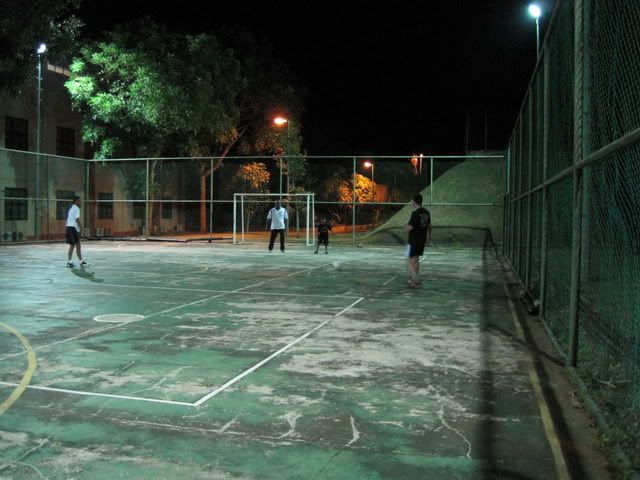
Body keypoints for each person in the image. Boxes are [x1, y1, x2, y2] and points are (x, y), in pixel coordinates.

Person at [405, 193, 431, 288]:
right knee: (416, 260)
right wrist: (429, 237)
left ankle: (416, 279)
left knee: (408, 260)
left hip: (413, 240)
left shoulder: (415, 213)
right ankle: (413, 282)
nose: (411, 202)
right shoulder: (426, 212)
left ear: (414, 201)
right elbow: (429, 225)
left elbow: (410, 227)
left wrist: (406, 226)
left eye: (412, 200)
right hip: (421, 240)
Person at [66, 196, 88, 268]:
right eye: (79, 201)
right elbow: (77, 219)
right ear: (76, 202)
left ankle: (81, 261)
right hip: (72, 228)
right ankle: (69, 262)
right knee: (72, 245)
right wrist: (82, 228)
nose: (80, 202)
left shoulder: (72, 208)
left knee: (78, 245)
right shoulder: (76, 208)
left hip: (72, 228)